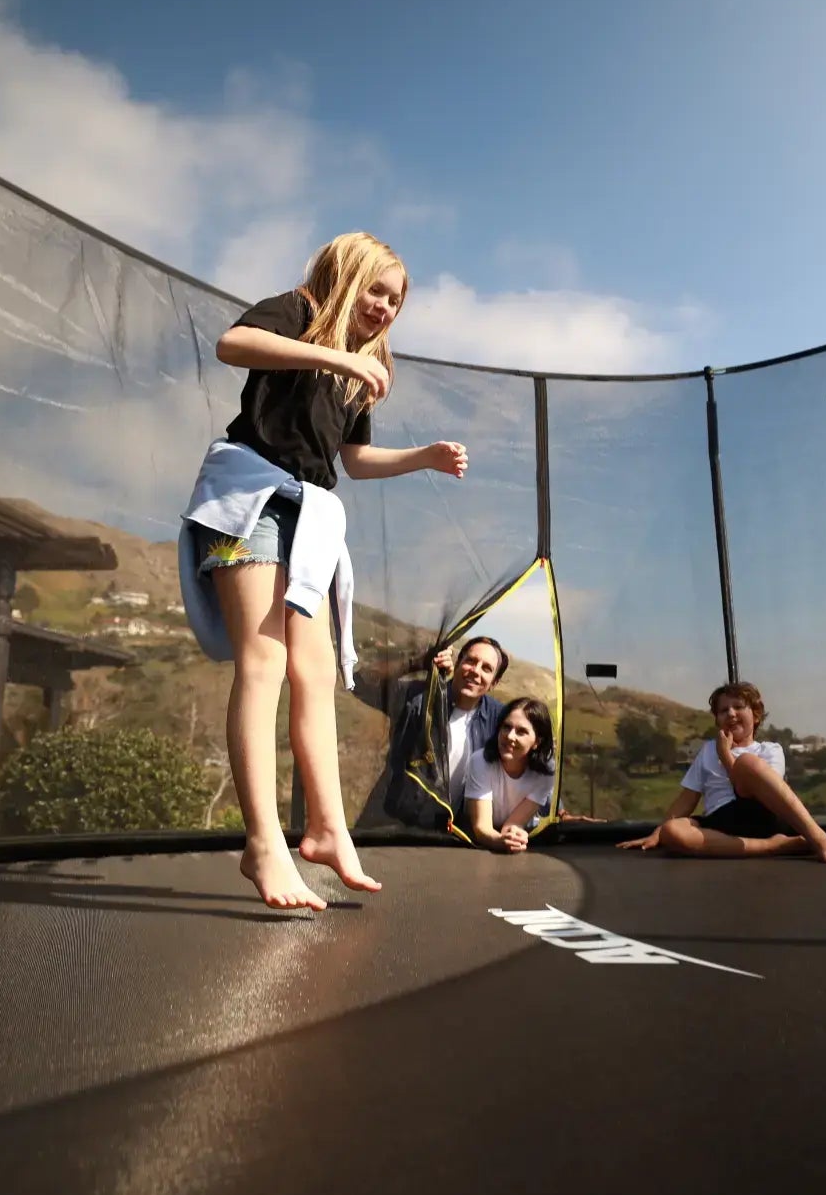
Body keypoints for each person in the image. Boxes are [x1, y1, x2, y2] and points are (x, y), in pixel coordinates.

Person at [178, 232, 469, 911]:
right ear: (345, 276)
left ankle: (328, 829)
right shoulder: (299, 310)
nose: (385, 307)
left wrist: (422, 456)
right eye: (376, 290)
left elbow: (354, 459)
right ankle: (261, 843)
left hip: (308, 514)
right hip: (245, 498)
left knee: (316, 673)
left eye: (396, 299)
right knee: (264, 663)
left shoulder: (361, 367)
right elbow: (233, 344)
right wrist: (333, 351)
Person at [618, 681, 826, 863]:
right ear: (717, 719)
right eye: (723, 710)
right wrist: (658, 833)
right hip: (721, 823)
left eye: (739, 707)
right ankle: (776, 846)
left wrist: (725, 755)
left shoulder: (769, 750)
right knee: (672, 831)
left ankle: (817, 837)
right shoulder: (707, 750)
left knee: (748, 763)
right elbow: (686, 800)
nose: (731, 713)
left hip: (761, 815)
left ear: (756, 715)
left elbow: (754, 789)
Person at [359, 636, 510, 832]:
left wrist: (556, 810)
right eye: (471, 661)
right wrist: (418, 662)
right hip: (389, 826)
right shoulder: (419, 697)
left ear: (494, 683)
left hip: (449, 837)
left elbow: (527, 759)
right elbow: (360, 683)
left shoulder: (499, 719)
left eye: (486, 668)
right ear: (458, 663)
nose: (475, 671)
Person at [461, 697, 557, 852]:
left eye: (521, 731)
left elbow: (513, 825)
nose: (510, 736)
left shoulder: (546, 771)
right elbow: (481, 827)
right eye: (506, 727)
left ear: (537, 742)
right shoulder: (480, 761)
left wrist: (513, 838)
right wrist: (500, 842)